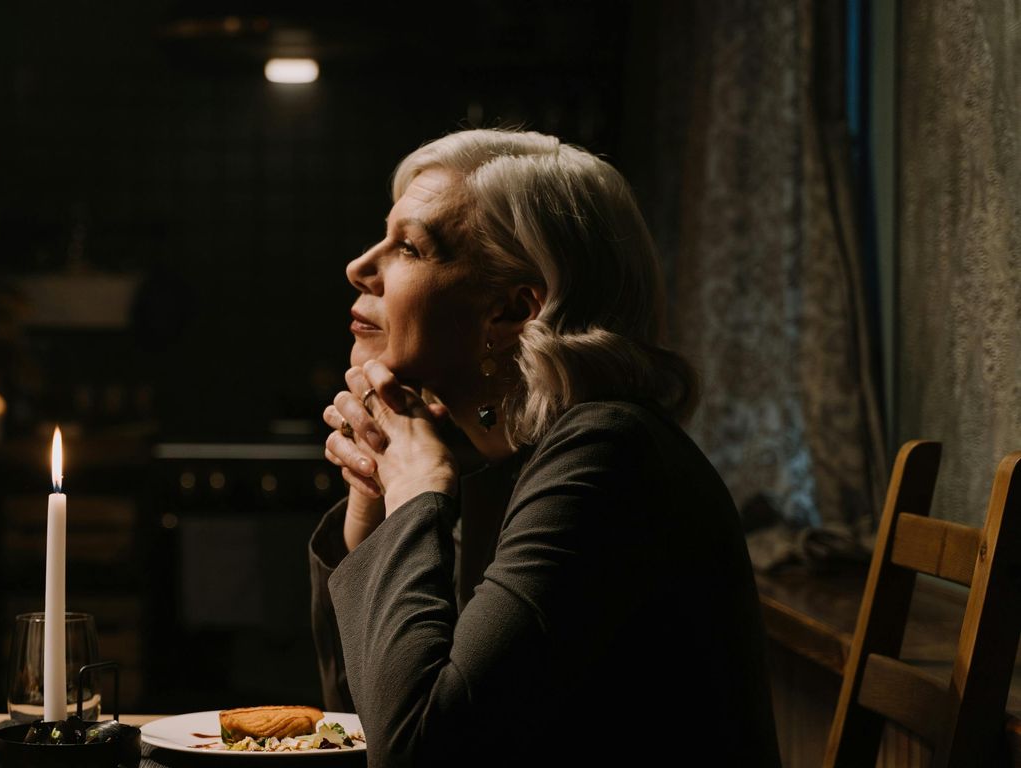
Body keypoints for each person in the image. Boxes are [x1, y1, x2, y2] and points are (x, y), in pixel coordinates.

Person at [309, 129, 781, 767]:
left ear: (510, 311)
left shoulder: (607, 456)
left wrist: (416, 489)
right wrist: (374, 502)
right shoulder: (507, 460)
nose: (359, 267)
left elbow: (422, 752)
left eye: (410, 247)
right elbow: (359, 722)